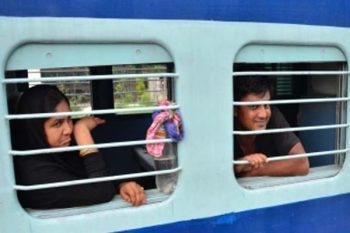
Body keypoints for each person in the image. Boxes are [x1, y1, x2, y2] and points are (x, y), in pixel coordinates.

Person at [12, 84, 146, 209]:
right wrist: (81, 129)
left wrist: (121, 185)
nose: (68, 129)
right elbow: (100, 191)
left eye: (69, 119)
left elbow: (90, 178)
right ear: (35, 128)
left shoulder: (56, 153)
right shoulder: (35, 175)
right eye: (57, 123)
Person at [233, 76, 309, 177]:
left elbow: (301, 163)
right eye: (254, 106)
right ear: (235, 110)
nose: (263, 114)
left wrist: (248, 173)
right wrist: (236, 166)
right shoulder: (223, 126)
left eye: (266, 105)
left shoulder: (273, 115)